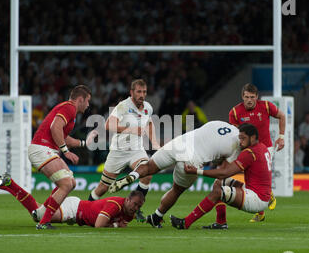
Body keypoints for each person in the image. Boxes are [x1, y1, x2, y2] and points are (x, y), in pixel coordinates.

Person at [0, 85, 97, 229]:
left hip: (45, 150)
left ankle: (11, 186)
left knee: (71, 183)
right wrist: (65, 151)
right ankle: (44, 222)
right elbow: (55, 128)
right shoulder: (69, 107)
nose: (88, 105)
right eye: (87, 101)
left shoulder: (69, 111)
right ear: (81, 99)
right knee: (66, 184)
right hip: (42, 149)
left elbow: (63, 137)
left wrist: (84, 142)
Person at [109, 120, 241, 228]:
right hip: (192, 159)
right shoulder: (237, 145)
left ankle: (134, 175)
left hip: (179, 143)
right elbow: (223, 172)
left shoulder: (219, 123)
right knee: (176, 190)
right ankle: (157, 216)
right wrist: (200, 171)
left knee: (149, 167)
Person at [170, 123, 272, 230]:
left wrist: (197, 171)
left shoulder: (249, 153)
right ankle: (221, 223)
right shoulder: (262, 147)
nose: (240, 142)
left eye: (243, 138)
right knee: (219, 182)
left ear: (253, 137)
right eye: (239, 138)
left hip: (257, 198)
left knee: (218, 192)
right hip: (259, 194)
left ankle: (186, 223)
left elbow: (225, 172)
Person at [87, 79, 160, 222]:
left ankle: (136, 209)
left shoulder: (148, 107)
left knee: (147, 173)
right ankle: (85, 208)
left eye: (144, 92)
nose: (142, 95)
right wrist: (130, 129)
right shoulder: (123, 106)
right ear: (131, 92)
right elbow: (109, 125)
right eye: (139, 92)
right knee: (103, 187)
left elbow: (149, 124)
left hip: (136, 151)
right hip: (118, 152)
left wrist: (155, 144)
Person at [0, 173, 144, 228]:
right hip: (74, 209)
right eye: (135, 204)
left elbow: (120, 224)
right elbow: (99, 225)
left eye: (138, 206)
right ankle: (8, 183)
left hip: (76, 213)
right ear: (127, 199)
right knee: (38, 215)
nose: (135, 208)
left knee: (39, 212)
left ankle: (6, 184)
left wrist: (117, 225)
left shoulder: (129, 211)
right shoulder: (115, 204)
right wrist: (115, 225)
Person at [228, 83, 285, 222]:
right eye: (246, 97)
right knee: (250, 181)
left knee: (256, 180)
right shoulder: (234, 112)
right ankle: (265, 202)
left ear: (256, 97)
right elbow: (235, 134)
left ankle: (265, 200)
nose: (249, 100)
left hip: (265, 149)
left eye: (252, 97)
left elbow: (282, 116)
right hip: (247, 151)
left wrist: (281, 137)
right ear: (242, 96)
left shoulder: (265, 106)